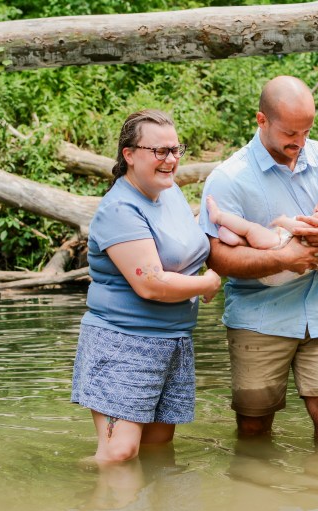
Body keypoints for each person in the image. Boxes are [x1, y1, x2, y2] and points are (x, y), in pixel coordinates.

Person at [197, 76, 318, 440]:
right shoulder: (229, 178)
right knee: (254, 425)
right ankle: (255, 478)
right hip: (260, 316)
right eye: (291, 132)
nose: (301, 142)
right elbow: (217, 259)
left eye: (307, 131)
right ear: (262, 120)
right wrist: (284, 259)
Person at [72, 109, 221, 464]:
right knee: (119, 453)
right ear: (129, 154)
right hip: (124, 342)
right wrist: (206, 283)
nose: (171, 159)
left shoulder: (169, 194)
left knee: (157, 449)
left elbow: (182, 246)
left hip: (173, 341)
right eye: (159, 151)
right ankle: (70, 494)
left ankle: (148, 505)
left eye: (176, 149)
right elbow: (150, 283)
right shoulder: (119, 209)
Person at [205, 184, 318, 285]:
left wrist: (283, 221)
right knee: (254, 241)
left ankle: (219, 217)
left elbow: (297, 229)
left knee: (251, 229)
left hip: (276, 245)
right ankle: (238, 241)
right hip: (281, 277)